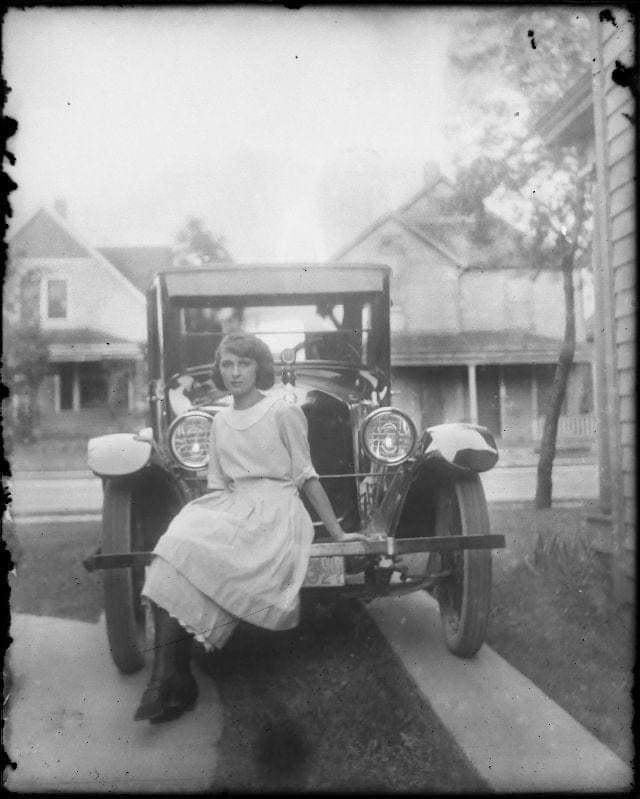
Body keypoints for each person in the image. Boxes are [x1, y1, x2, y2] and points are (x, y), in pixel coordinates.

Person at [135, 332, 367, 723]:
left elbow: (306, 475)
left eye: (244, 364)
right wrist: (214, 523)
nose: (235, 372)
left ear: (259, 368)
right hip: (234, 503)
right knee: (175, 545)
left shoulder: (282, 411)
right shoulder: (220, 421)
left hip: (277, 510)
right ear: (219, 370)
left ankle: (167, 682)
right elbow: (217, 485)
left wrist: (339, 533)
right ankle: (172, 676)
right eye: (227, 364)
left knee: (187, 545)